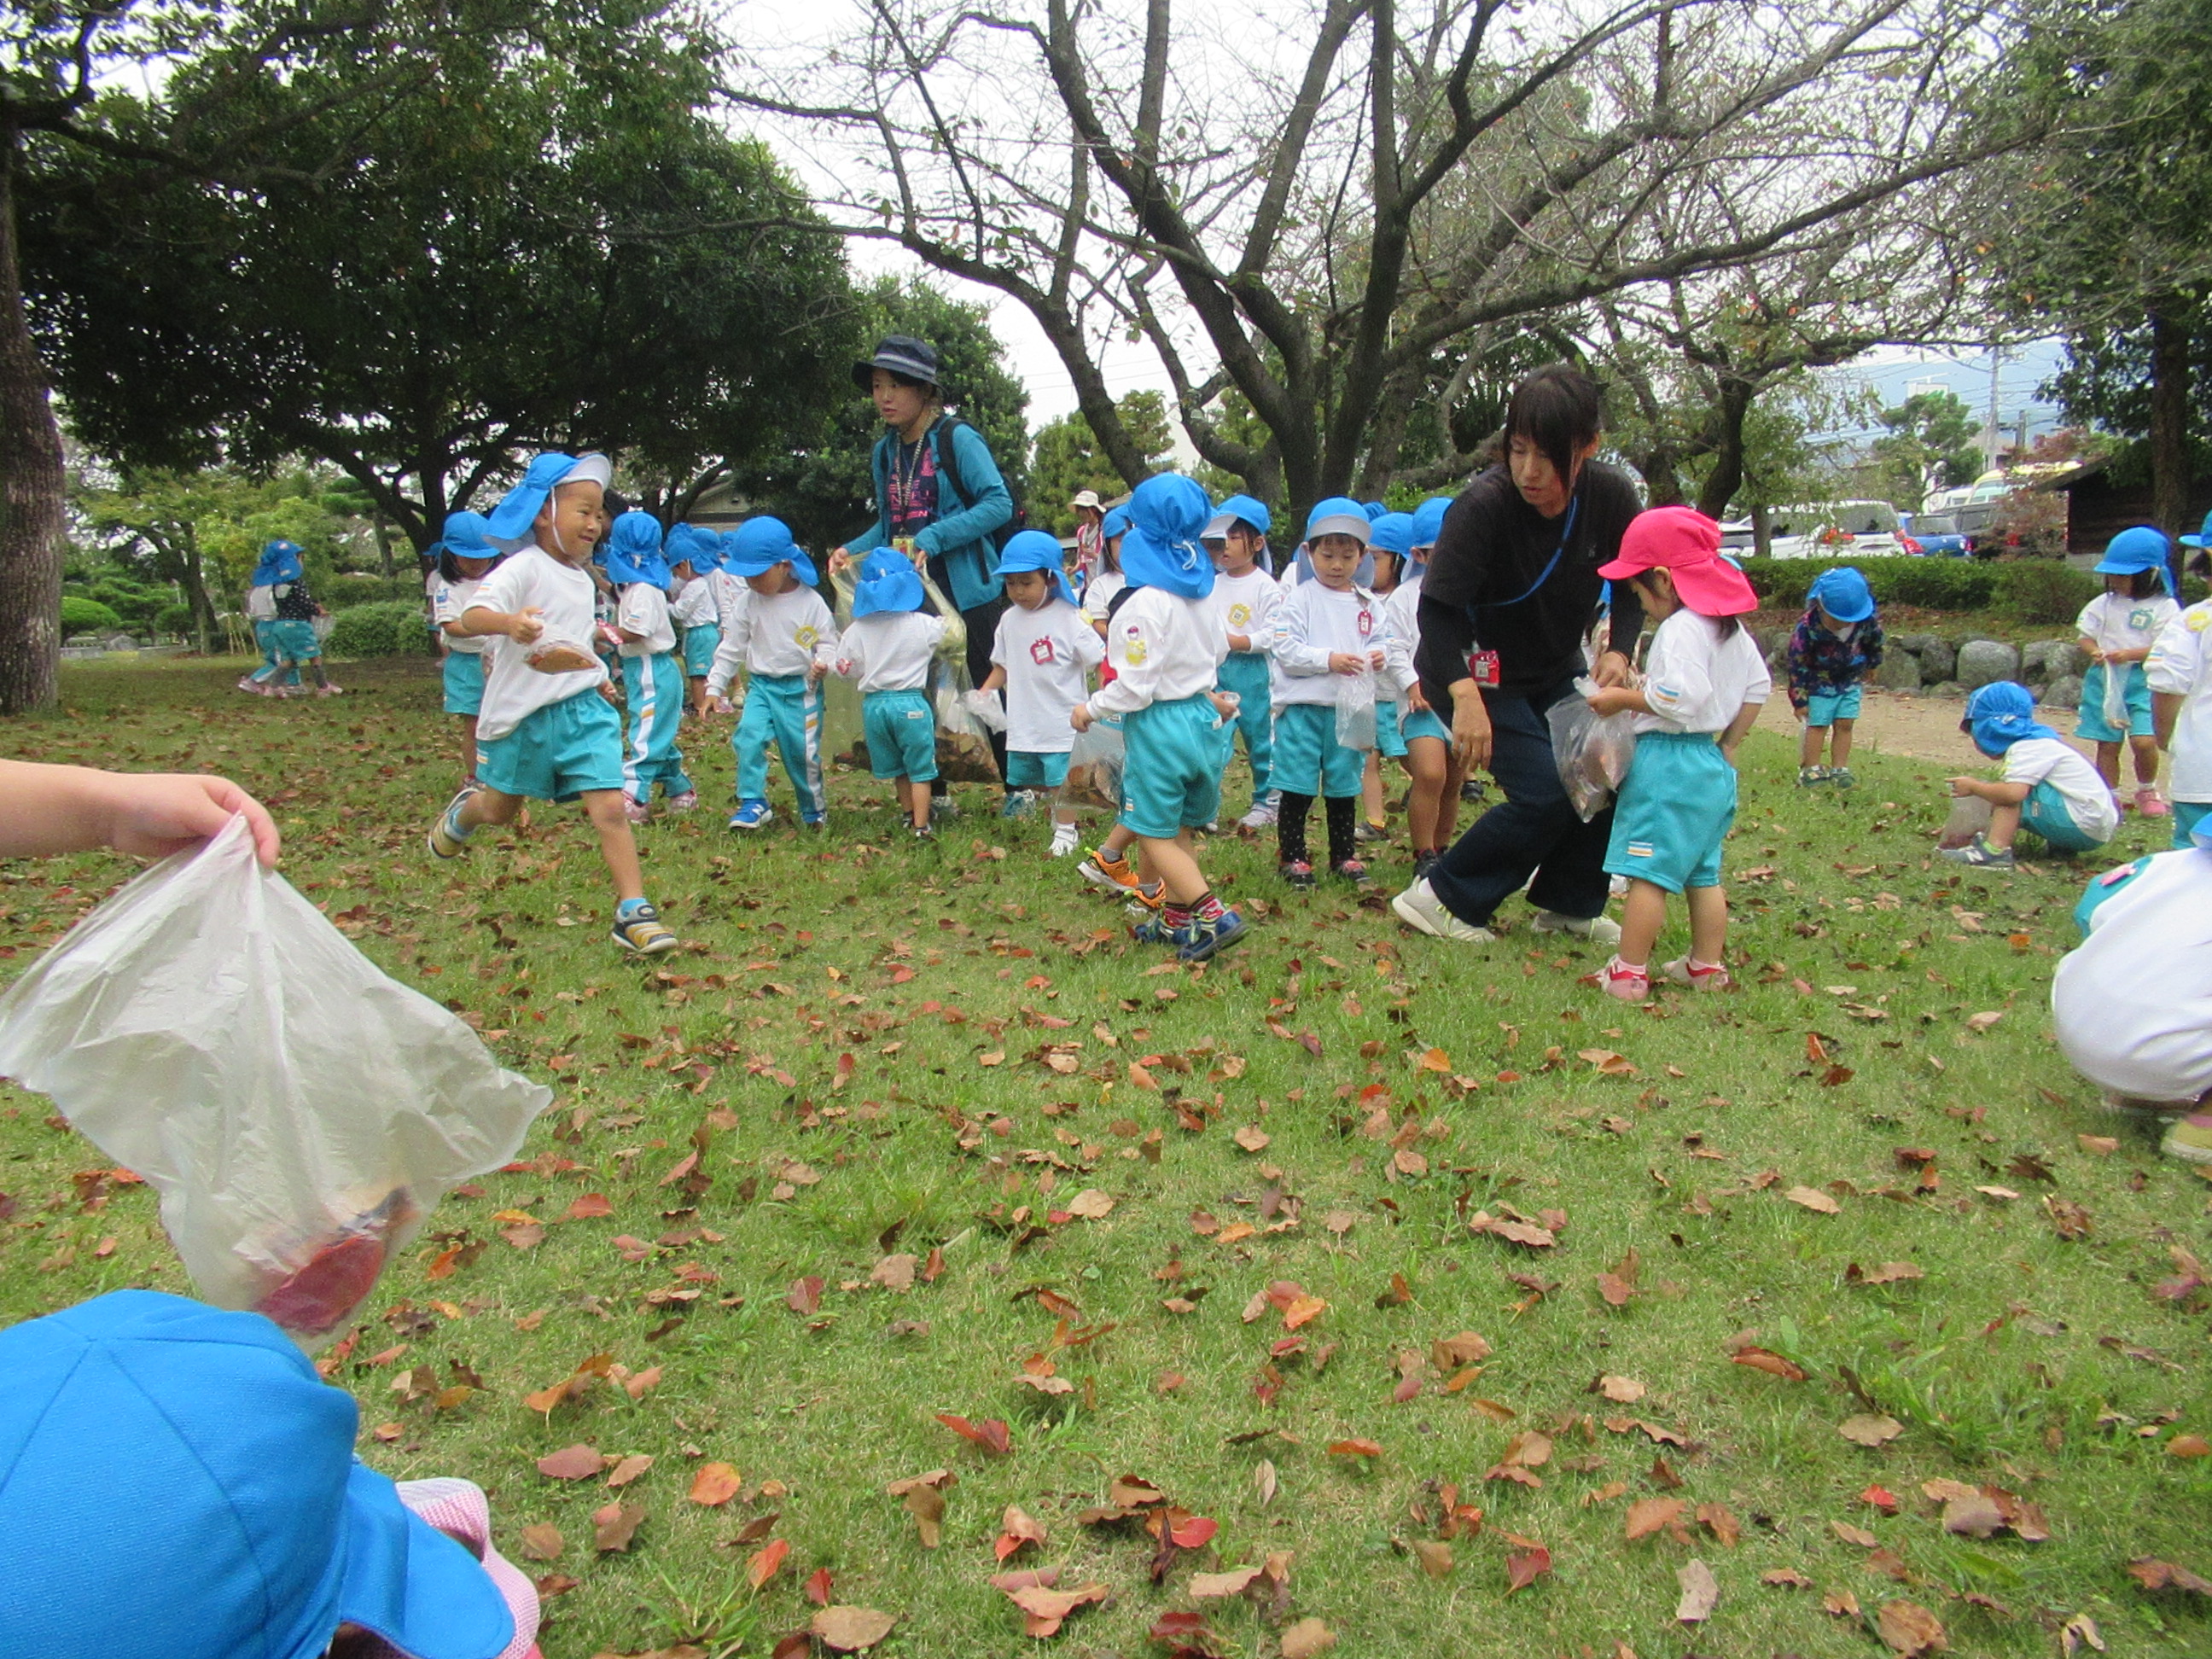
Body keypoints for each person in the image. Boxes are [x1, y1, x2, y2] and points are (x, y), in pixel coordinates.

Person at [1392, 364, 1643, 946]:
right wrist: (1463, 696)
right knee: (1546, 790)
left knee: (1603, 770)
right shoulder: (1483, 506)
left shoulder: (1610, 497)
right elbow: (1438, 612)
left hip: (1554, 666)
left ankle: (1568, 905)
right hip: (1471, 672)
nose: (1529, 471)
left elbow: (1632, 583)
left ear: (1588, 447)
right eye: (1519, 450)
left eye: (1548, 456)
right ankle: (1441, 896)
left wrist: (1620, 650)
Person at [426, 452, 680, 956]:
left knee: (610, 807)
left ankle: (633, 912)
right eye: (583, 511)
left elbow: (574, 640)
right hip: (523, 716)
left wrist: (595, 677)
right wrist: (509, 624)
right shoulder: (521, 567)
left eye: (599, 513)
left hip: (583, 712)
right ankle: (466, 815)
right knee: (500, 810)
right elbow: (472, 616)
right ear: (544, 512)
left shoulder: (584, 580)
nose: (595, 524)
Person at [1579, 507, 1770, 1000]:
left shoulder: (1681, 628)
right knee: (1703, 872)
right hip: (1709, 764)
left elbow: (1680, 697)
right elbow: (1758, 687)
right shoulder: (1729, 628)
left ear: (1663, 579)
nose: (1641, 603)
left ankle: (1628, 972)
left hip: (1668, 762)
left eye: (1639, 591)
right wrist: (1729, 744)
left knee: (1647, 872)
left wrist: (1622, 699)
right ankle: (1705, 966)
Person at [828, 335, 1016, 808]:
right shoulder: (885, 451)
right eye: (877, 386)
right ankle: (935, 792)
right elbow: (890, 524)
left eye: (895, 386)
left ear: (925, 390)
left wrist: (935, 536)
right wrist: (850, 550)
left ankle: (1019, 787)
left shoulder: (957, 438)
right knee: (921, 690)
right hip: (909, 591)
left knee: (985, 685)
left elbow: (998, 502)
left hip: (966, 588)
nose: (884, 397)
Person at [1073, 474, 1246, 963]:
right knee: (1179, 825)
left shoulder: (1142, 605)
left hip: (1160, 726)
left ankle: (1214, 915)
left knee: (1153, 830)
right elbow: (1217, 652)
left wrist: (1090, 709)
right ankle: (1175, 921)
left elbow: (1135, 687)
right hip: (1200, 719)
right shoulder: (1199, 595)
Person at [2052, 824, 2212, 1161]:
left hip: (2081, 1029)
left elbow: (2089, 911)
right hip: (2169, 1050)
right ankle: (2203, 1131)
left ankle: (2138, 1097)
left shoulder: (2165, 864)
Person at [1265, 497, 1391, 889]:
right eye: (1328, 555)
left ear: (1362, 556)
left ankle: (1343, 854)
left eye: (1347, 556)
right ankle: (1294, 855)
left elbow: (1383, 639)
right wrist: (1328, 660)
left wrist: (1380, 655)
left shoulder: (1367, 602)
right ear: (1309, 552)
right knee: (1297, 784)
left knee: (1343, 784)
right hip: (1304, 707)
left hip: (1349, 708)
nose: (1337, 565)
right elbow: (1285, 649)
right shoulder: (1299, 599)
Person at [707, 516, 839, 831]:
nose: (751, 581)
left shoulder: (810, 603)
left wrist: (824, 662)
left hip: (802, 691)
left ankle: (813, 810)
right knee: (748, 737)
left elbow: (828, 643)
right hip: (762, 688)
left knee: (802, 755)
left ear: (784, 565)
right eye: (745, 575)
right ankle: (753, 801)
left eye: (758, 574)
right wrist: (714, 686)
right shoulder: (747, 602)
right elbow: (731, 647)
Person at [981, 531, 1103, 856]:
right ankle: (1060, 815)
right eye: (1011, 584)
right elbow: (1003, 665)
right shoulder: (1008, 620)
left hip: (1062, 719)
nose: (1019, 591)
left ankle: (1066, 832)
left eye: (1027, 582)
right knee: (1038, 779)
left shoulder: (1068, 618)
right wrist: (985, 692)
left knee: (1062, 778)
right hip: (1026, 719)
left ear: (1050, 579)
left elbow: (1098, 658)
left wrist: (1104, 696)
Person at [834, 546, 953, 838]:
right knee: (921, 770)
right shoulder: (922, 624)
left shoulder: (857, 629)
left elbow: (846, 669)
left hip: (875, 707)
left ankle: (908, 814)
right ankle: (922, 825)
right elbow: (950, 632)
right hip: (910, 704)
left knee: (899, 768)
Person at [1941, 681, 2118, 869]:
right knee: (2010, 789)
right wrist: (1962, 828)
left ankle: (1995, 852)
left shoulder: (2027, 748)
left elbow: (2011, 795)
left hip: (2082, 823)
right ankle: (2062, 848)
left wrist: (1973, 787)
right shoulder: (2040, 743)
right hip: (2094, 827)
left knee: (2008, 794)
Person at [2075, 525, 2180, 815]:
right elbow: (2085, 636)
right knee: (2108, 743)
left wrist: (2129, 655)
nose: (2116, 581)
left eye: (2124, 576)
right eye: (2113, 575)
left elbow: (2166, 646)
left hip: (2144, 679)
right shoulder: (2103, 604)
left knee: (2144, 740)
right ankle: (2109, 796)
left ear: (2150, 575)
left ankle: (2147, 789)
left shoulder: (2165, 607)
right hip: (2107, 679)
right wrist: (2094, 651)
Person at [1382, 504, 1464, 880]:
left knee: (1453, 779)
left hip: (1461, 704)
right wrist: (1412, 685)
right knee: (1430, 774)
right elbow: (1394, 647)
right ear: (1418, 555)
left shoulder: (1474, 593)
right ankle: (1424, 852)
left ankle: (1443, 850)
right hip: (1420, 704)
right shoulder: (1404, 597)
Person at [605, 510, 696, 820]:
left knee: (646, 732)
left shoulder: (644, 590)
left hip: (651, 668)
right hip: (641, 668)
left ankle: (634, 793)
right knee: (657, 730)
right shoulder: (635, 588)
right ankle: (679, 788)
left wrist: (600, 632)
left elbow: (636, 631)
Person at [1203, 493, 1281, 830]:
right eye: (1220, 537)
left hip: (1254, 674)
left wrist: (1238, 642)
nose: (1226, 545)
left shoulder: (1266, 587)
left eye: (1234, 537)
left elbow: (1274, 634)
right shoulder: (1210, 584)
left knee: (1260, 738)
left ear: (1257, 543)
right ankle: (1206, 807)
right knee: (1214, 739)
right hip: (1216, 671)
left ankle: (1268, 802)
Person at [1785, 565, 1883, 787]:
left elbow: (1874, 643)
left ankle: (1840, 768)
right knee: (1818, 724)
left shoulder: (1866, 622)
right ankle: (1811, 768)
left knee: (1845, 723)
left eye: (1849, 619)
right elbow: (1796, 663)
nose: (1844, 624)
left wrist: (1873, 664)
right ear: (1820, 607)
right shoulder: (1808, 628)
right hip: (1819, 684)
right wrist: (1799, 700)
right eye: (1837, 619)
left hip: (1850, 681)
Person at [2149, 519, 2212, 847]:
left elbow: (2168, 684)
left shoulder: (2192, 622)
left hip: (2203, 768)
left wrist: (2166, 738)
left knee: (2195, 862)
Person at [428, 510, 503, 789]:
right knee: (473, 723)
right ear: (451, 556)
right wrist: (487, 626)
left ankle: (500, 773)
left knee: (500, 721)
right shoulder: (448, 587)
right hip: (467, 663)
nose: (478, 564)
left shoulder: (498, 580)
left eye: (484, 557)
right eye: (469, 558)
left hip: (497, 660)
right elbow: (450, 626)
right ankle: (475, 777)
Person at [1360, 511, 1418, 844]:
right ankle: (1375, 821)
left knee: (1412, 757)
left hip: (1398, 698)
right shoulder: (1358, 597)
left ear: (1399, 560)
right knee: (1367, 759)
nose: (1366, 565)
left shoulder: (1406, 599)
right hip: (1367, 696)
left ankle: (1429, 791)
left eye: (1376, 557)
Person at [262, 539, 344, 697]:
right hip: (297, 625)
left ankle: (273, 688)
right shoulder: (297, 582)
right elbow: (304, 602)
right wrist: (317, 610)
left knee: (288, 660)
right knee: (314, 656)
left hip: (281, 625)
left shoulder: (277, 584)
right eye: (300, 559)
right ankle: (323, 687)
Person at [668, 524, 725, 719]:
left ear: (684, 565)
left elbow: (679, 612)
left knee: (697, 673)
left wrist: (663, 606)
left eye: (675, 570)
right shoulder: (696, 584)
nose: (676, 576)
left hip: (700, 632)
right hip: (701, 631)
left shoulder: (695, 586)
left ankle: (699, 706)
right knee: (703, 669)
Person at [237, 541, 300, 697]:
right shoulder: (279, 587)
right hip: (275, 625)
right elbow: (283, 606)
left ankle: (294, 684)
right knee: (283, 660)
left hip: (262, 625)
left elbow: (252, 609)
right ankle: (253, 681)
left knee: (285, 656)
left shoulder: (258, 588)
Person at [1083, 505, 1131, 637]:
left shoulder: (1154, 580)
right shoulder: (1100, 586)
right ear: (1108, 546)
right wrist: (1126, 640)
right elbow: (1099, 624)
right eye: (1120, 540)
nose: (1128, 545)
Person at [1070, 489, 1106, 585]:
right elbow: (1081, 558)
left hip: (1104, 580)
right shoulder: (1082, 532)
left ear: (1093, 510)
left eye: (1084, 510)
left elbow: (1111, 559)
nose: (1081, 514)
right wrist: (1074, 569)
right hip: (1089, 582)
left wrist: (1095, 556)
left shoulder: (1104, 530)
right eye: (1079, 510)